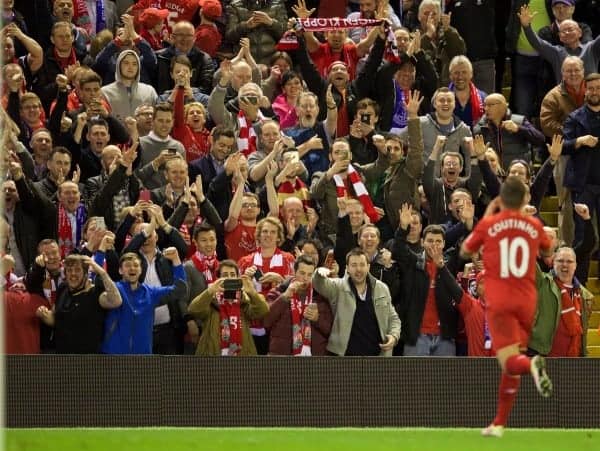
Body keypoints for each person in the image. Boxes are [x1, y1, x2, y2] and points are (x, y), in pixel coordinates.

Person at [461, 176, 554, 437]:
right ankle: (499, 423)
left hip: (501, 300)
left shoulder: (490, 224)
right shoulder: (534, 225)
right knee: (514, 357)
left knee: (511, 362)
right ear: (525, 199)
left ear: (502, 198)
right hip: (527, 301)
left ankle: (532, 365)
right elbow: (548, 250)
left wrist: (489, 214)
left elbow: (466, 251)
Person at [392, 208, 461, 356]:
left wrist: (467, 221)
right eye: (430, 241)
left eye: (438, 241)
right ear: (422, 242)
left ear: (444, 244)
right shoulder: (413, 262)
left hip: (445, 337)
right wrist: (403, 228)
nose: (434, 245)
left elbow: (466, 241)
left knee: (446, 380)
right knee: (415, 379)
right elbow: (398, 248)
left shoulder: (450, 264)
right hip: (417, 337)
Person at [312, 247, 400, 356]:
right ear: (347, 268)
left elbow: (393, 318)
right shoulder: (337, 287)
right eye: (354, 265)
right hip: (345, 358)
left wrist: (393, 336)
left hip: (377, 358)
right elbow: (318, 284)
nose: (358, 269)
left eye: (362, 265)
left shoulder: (381, 288)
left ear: (368, 267)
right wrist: (319, 273)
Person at [101, 249, 187, 355]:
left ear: (141, 270)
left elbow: (180, 289)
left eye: (136, 265)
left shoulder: (150, 293)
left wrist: (176, 260)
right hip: (114, 355)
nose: (132, 268)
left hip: (143, 358)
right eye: (127, 265)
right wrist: (100, 254)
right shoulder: (114, 290)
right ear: (120, 270)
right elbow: (97, 281)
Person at [36, 254, 123, 353]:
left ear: (86, 273)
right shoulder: (63, 289)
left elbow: (116, 301)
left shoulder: (95, 292)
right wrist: (44, 315)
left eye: (77, 270)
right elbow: (55, 319)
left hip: (89, 360)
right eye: (69, 270)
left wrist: (102, 273)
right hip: (62, 357)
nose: (73, 274)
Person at [187, 259, 269, 356]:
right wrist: (209, 291)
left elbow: (263, 311)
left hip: (241, 355)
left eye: (233, 275)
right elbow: (193, 310)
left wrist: (252, 293)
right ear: (218, 278)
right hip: (213, 355)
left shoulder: (245, 300)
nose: (229, 278)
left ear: (238, 278)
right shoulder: (210, 299)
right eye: (225, 275)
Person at [265, 254, 332, 355]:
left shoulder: (321, 297)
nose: (305, 278)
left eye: (310, 275)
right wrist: (284, 297)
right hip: (282, 357)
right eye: (302, 273)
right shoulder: (277, 293)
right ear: (294, 272)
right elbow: (266, 321)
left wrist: (317, 319)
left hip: (313, 358)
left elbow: (329, 330)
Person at [561, 73, 600, 248]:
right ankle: (579, 276)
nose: (594, 92)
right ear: (585, 91)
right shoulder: (574, 118)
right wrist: (580, 140)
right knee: (581, 235)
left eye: (598, 88)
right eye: (591, 88)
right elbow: (563, 146)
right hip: (583, 184)